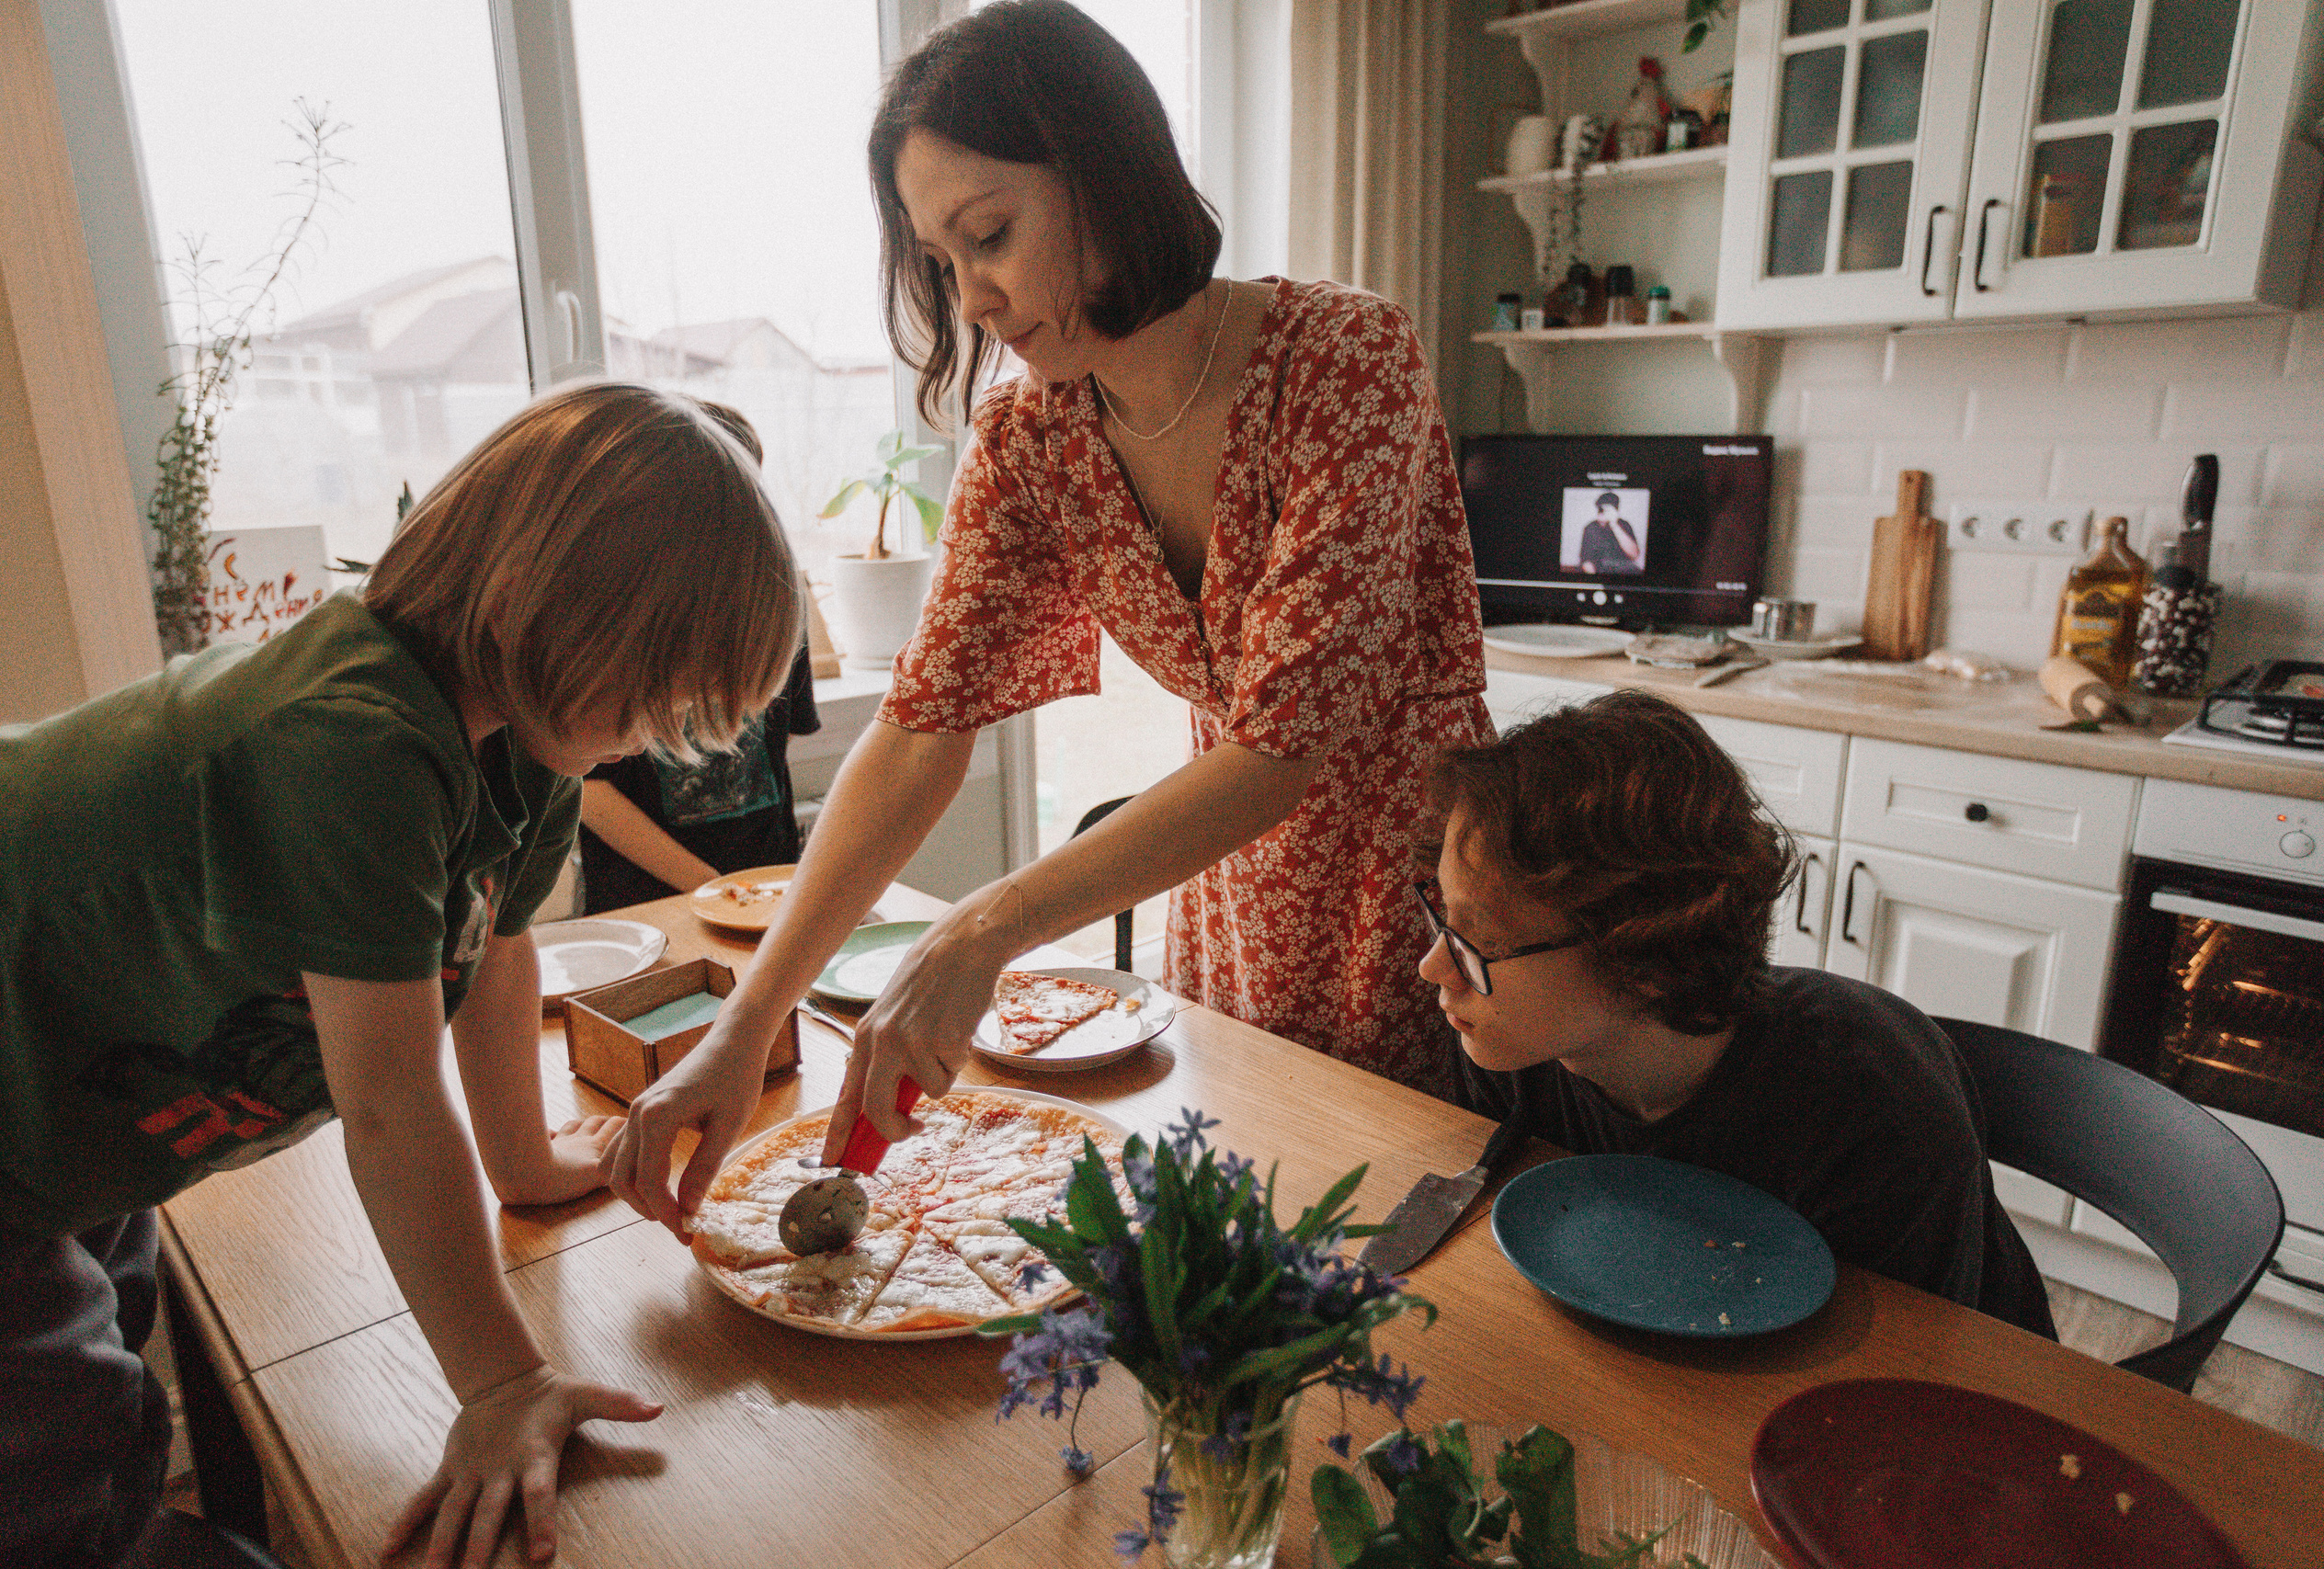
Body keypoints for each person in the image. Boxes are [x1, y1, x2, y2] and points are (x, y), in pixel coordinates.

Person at [601, 0, 1490, 1235]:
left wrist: (982, 929)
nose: (972, 297)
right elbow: (920, 726)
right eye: (940, 261)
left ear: (1107, 175)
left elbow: (1285, 745)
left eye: (991, 235)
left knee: (1411, 1263)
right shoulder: (1033, 435)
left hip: (1429, 891)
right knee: (1248, 1256)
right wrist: (744, 1028)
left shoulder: (1343, 358)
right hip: (1232, 898)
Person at [0, 381, 801, 1569]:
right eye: (652, 682)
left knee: (106, 1341)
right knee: (74, 1497)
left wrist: (523, 1162)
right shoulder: (354, 734)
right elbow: (388, 1101)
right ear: (558, 605)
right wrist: (499, 1379)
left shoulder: (531, 760)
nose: (656, 726)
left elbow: (496, 958)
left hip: (80, 1090)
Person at [1420, 690, 2056, 1336]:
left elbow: (1908, 1364)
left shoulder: (1874, 1110)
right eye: (1444, 916)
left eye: (1485, 941)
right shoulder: (1508, 1046)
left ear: (1641, 954)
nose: (1434, 967)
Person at [576, 408, 821, 915]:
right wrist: (711, 886)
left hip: (766, 886)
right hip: (645, 901)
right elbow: (586, 789)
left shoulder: (774, 600)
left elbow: (781, 742)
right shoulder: (626, 611)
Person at [1576, 492, 1641, 575]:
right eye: (1601, 509)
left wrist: (1614, 525)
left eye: (1607, 510)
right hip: (1599, 571)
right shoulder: (1591, 528)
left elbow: (1634, 555)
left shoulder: (1624, 525)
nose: (1603, 512)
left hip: (1623, 572)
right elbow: (1586, 562)